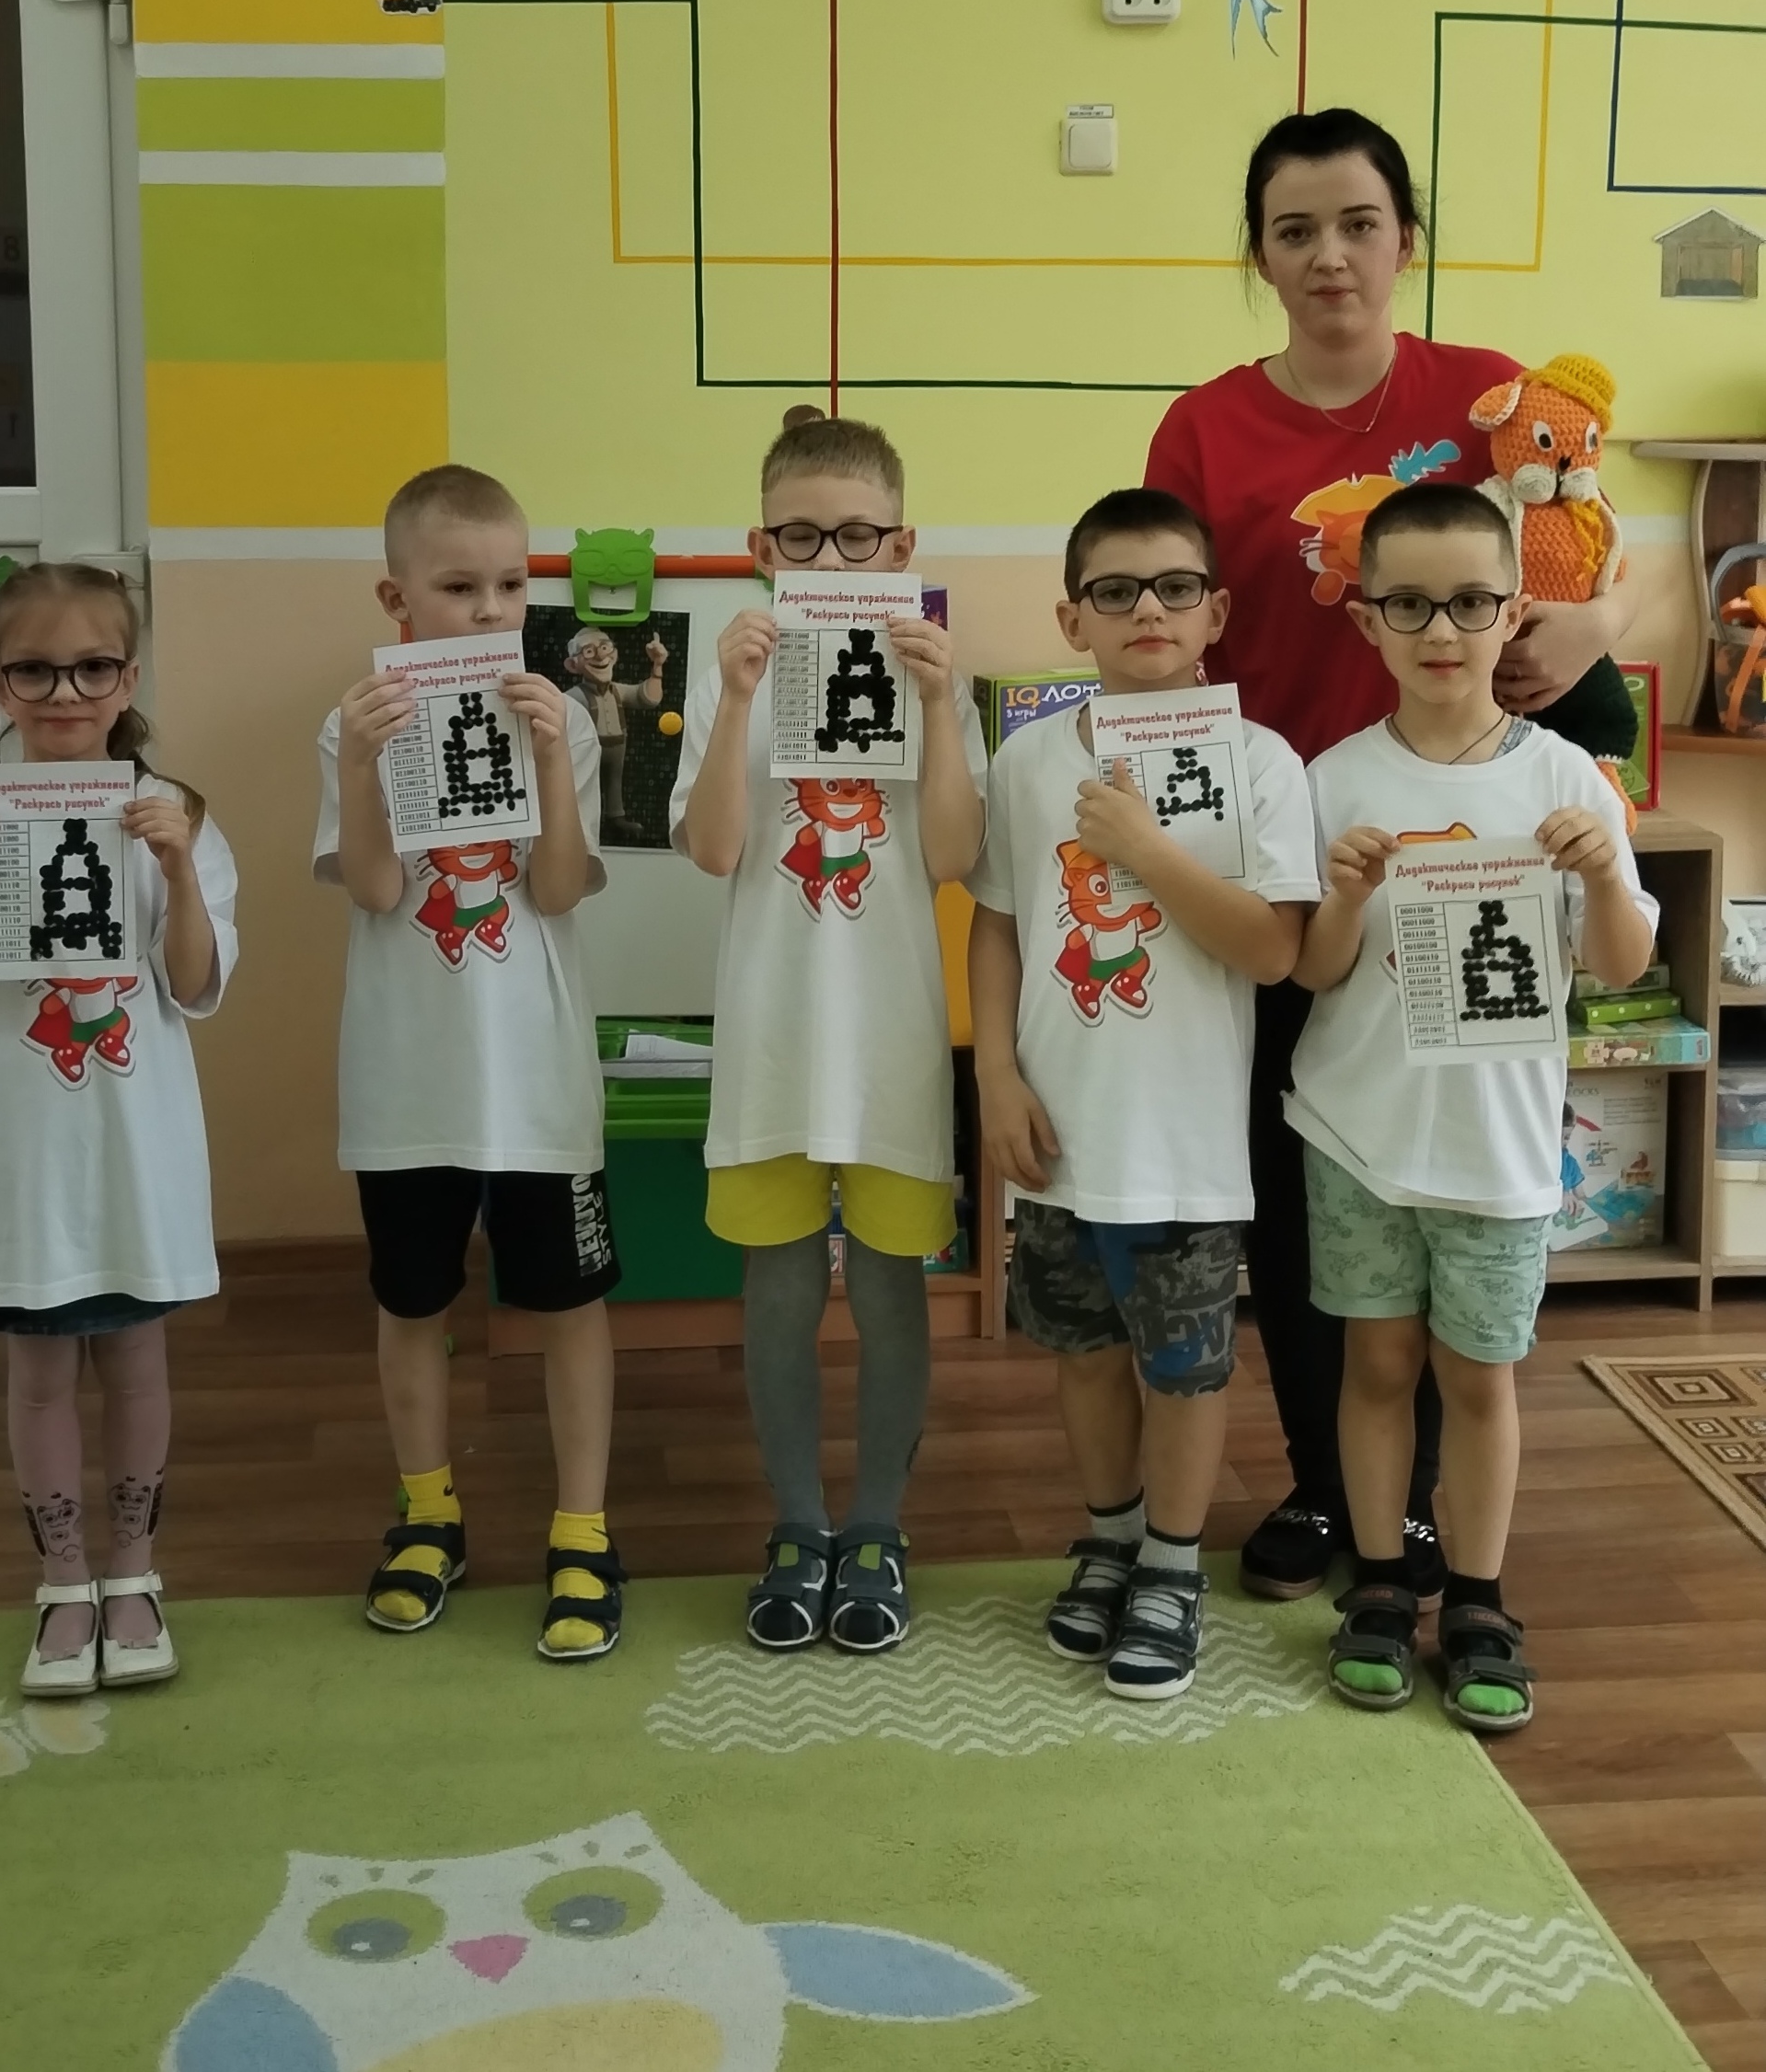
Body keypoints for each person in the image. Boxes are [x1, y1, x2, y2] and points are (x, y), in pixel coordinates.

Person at [1144, 106, 1639, 1606]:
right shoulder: (1203, 428)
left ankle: (1425, 1511)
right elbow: (1170, 623)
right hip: (1299, 848)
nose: (1329, 256)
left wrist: (1594, 625)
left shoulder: (1481, 392)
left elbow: (1588, 557)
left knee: (1456, 1183)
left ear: (1402, 239)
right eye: (1293, 229)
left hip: (1472, 842)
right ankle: (1331, 1488)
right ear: (1258, 255)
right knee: (1312, 1184)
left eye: (1357, 223)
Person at [1291, 481, 1656, 1729]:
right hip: (1357, 1132)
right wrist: (1344, 894)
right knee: (1377, 1361)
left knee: (1480, 1375)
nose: (1439, 630)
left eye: (1468, 602)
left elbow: (1618, 964)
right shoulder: (1331, 778)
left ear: (1514, 612)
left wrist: (1601, 874)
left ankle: (1482, 1597)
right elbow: (1310, 970)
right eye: (1407, 604)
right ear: (1365, 620)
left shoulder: (1568, 776)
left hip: (1498, 1147)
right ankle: (1380, 1582)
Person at [968, 490, 1317, 1699]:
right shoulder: (1027, 760)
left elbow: (1271, 949)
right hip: (1059, 1125)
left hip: (1183, 1137)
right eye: (1113, 591)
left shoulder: (1260, 762)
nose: (1146, 609)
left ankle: (1171, 1561)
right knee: (1079, 1351)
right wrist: (993, 1074)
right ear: (1073, 618)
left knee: (1183, 1363)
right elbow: (999, 923)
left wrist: (1147, 849)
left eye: (1174, 586)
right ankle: (1111, 1538)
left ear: (1215, 610)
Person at [0, 561, 237, 1698]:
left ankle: (134, 1574)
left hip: (131, 1148)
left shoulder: (175, 816)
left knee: (137, 1363)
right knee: (38, 1373)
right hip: (18, 1153)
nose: (65, 692)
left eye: (93, 667)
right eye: (34, 670)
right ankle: (62, 1584)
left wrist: (178, 863)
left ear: (128, 676)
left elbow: (196, 985)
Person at [671, 413, 987, 1653]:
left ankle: (877, 1525)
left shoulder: (928, 665)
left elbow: (954, 855)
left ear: (901, 544)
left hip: (892, 1036)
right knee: (780, 1286)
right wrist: (735, 697)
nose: (829, 558)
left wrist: (942, 702)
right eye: (799, 537)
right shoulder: (729, 665)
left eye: (857, 536)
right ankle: (797, 1522)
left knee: (896, 1287)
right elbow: (711, 849)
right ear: (760, 547)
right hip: (773, 1034)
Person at [316, 462, 624, 1661]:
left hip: (535, 1074)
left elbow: (558, 889)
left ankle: (583, 1528)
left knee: (568, 1305)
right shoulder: (351, 719)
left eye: (510, 583)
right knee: (412, 1300)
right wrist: (359, 763)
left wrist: (550, 756)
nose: (490, 608)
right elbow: (374, 887)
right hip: (408, 1077)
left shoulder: (556, 714)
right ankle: (427, 1512)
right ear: (396, 597)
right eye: (458, 586)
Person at [562, 624, 669, 844]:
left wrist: (657, 666)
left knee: (614, 781)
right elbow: (562, 713)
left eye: (604, 648)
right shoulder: (575, 696)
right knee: (583, 783)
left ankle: (615, 817)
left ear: (615, 654)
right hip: (588, 749)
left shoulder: (618, 691)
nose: (600, 656)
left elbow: (648, 698)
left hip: (617, 744)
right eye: (589, 651)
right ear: (573, 664)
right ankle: (578, 821)